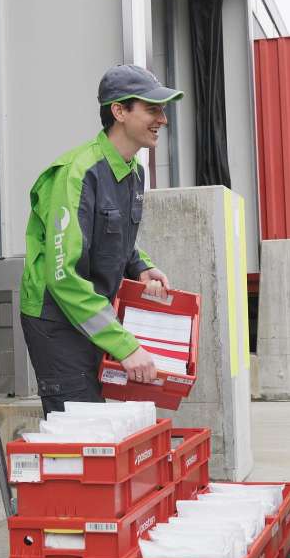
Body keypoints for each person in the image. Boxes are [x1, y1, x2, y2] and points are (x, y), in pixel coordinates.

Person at [19, 64, 183, 417]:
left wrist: (141, 266)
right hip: (57, 318)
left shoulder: (133, 172)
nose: (163, 119)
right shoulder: (76, 174)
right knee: (82, 425)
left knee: (95, 421)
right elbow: (63, 276)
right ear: (119, 111)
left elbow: (113, 235)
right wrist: (125, 346)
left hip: (93, 314)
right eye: (152, 109)